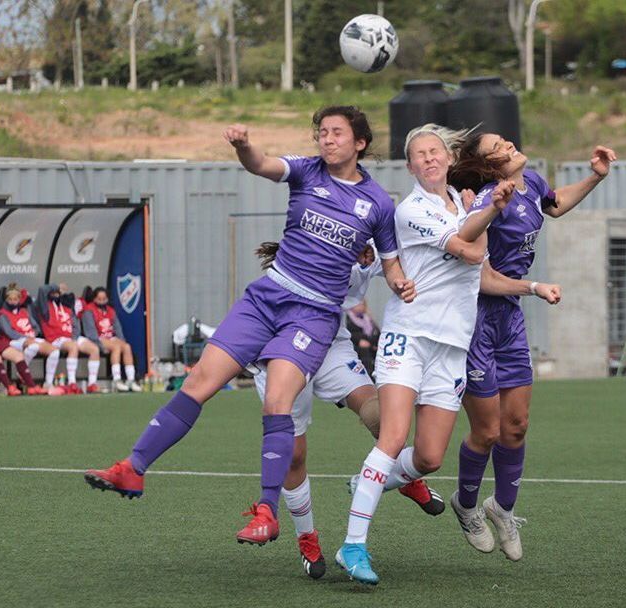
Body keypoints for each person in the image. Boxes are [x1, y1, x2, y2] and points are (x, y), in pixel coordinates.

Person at [84, 106, 414, 549]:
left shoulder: (377, 203)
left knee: (277, 401)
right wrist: (243, 146)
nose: (326, 139)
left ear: (359, 143)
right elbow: (261, 164)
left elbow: (392, 264)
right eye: (322, 132)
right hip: (268, 296)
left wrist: (402, 284)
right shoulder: (305, 171)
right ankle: (133, 468)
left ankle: (266, 512)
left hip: (313, 314)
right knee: (200, 379)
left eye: (337, 133)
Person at [336, 123, 515, 586]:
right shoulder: (412, 209)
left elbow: (481, 265)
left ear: (449, 158)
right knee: (393, 437)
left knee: (431, 458)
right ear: (411, 166)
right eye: (419, 154)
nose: (429, 158)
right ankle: (353, 545)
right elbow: (468, 251)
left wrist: (530, 284)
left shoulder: (465, 202)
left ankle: (368, 482)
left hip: (452, 345)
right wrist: (491, 210)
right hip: (409, 336)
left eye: (435, 151)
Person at [446, 133, 615, 562]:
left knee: (516, 425)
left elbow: (554, 205)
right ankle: (466, 504)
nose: (508, 143)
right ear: (489, 167)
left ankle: (501, 509)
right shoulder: (488, 202)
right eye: (498, 146)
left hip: (510, 320)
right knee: (487, 431)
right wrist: (534, 287)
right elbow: (480, 278)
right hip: (477, 321)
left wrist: (595, 177)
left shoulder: (533, 183)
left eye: (505, 139)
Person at [249, 240, 443, 581]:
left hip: (328, 344)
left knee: (383, 415)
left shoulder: (351, 256)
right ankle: (307, 538)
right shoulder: (284, 282)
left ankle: (401, 475)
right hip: (280, 357)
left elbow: (383, 266)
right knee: (294, 455)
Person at [36, 284, 101, 394]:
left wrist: (74, 338)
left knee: (94, 349)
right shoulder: (45, 307)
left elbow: (76, 326)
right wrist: (56, 287)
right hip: (55, 338)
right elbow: (41, 290)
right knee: (73, 347)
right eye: (54, 292)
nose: (56, 294)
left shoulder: (66, 306)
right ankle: (72, 382)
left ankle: (92, 384)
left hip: (70, 337)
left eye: (58, 293)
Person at [0, 286, 52, 396]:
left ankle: (45, 384)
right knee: (32, 346)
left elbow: (36, 327)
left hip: (28, 338)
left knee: (54, 350)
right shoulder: (2, 314)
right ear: (6, 300)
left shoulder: (24, 311)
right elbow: (9, 332)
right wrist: (26, 337)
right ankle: (22, 381)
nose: (13, 302)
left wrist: (32, 334)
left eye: (15, 299)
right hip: (11, 341)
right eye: (10, 299)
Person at [81, 287, 142, 392]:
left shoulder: (110, 310)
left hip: (110, 337)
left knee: (127, 347)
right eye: (99, 299)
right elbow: (90, 333)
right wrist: (100, 345)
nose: (102, 302)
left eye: (104, 299)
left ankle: (131, 380)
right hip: (98, 339)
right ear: (94, 299)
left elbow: (118, 328)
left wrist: (121, 340)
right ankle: (117, 379)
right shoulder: (89, 310)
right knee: (116, 347)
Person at [345, 298, 379, 376]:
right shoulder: (348, 318)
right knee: (364, 352)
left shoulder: (367, 318)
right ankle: (367, 374)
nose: (360, 306)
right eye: (358, 304)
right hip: (356, 347)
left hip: (370, 346)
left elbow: (376, 332)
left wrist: (376, 344)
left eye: (362, 304)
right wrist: (359, 341)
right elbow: (350, 333)